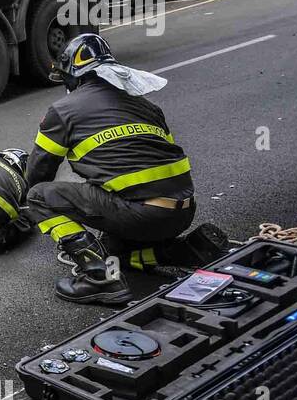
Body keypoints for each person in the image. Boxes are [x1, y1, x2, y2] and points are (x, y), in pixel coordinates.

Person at [25, 33, 229, 306]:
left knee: (38, 196)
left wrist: (25, 211)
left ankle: (100, 279)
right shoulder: (146, 106)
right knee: (111, 249)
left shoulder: (63, 110)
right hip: (182, 212)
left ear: (74, 77)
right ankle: (180, 252)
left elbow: (39, 171)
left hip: (140, 215)